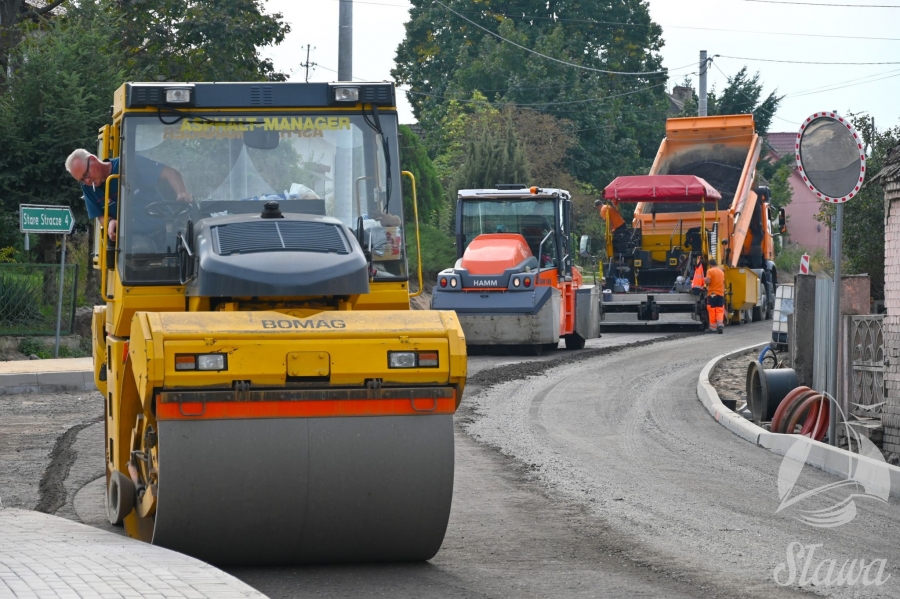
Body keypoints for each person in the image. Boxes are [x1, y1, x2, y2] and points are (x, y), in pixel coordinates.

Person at [65, 149, 191, 241]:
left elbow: (171, 173)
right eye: (82, 180)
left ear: (93, 160)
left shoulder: (129, 164)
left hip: (166, 229)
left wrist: (181, 193)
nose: (87, 181)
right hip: (134, 241)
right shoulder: (87, 188)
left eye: (86, 175)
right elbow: (100, 216)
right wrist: (110, 223)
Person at [705, 258, 726, 334]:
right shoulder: (721, 272)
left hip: (713, 294)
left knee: (712, 309)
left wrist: (703, 280)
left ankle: (713, 327)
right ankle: (720, 325)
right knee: (720, 310)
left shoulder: (710, 271)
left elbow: (708, 281)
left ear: (710, 264)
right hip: (720, 294)